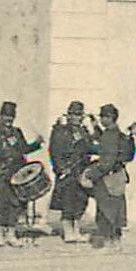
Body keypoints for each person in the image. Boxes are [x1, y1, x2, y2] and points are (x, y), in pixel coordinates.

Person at [0, 101, 43, 247]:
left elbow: (22, 149)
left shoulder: (16, 132)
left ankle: (11, 234)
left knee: (15, 205)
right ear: (0, 117)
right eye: (6, 117)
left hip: (15, 174)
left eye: (11, 118)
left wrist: (36, 144)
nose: (8, 120)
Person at [85, 104, 136, 249]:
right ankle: (116, 241)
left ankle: (108, 242)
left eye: (103, 117)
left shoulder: (109, 135)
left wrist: (92, 174)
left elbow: (107, 159)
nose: (101, 119)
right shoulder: (118, 134)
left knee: (105, 211)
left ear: (109, 118)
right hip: (118, 176)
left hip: (107, 177)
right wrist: (94, 124)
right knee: (117, 209)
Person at [48, 101, 96, 244]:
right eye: (74, 114)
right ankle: (68, 232)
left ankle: (76, 230)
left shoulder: (84, 131)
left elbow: (90, 147)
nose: (77, 118)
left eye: (79, 115)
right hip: (68, 172)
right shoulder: (60, 131)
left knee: (81, 201)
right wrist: (61, 168)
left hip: (81, 171)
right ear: (68, 115)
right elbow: (54, 152)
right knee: (68, 202)